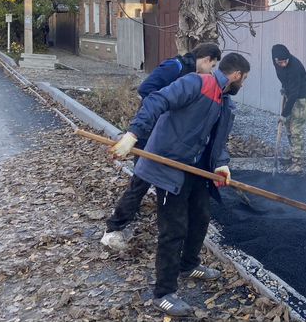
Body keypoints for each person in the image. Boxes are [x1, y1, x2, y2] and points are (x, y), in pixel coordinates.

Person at [112, 52, 250, 317]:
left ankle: (189, 265)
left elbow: (217, 140)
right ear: (237, 76)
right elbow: (157, 99)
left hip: (196, 170)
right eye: (244, 80)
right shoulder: (196, 83)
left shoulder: (225, 102)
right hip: (170, 167)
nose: (243, 84)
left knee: (201, 217)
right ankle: (163, 293)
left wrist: (221, 163)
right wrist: (133, 134)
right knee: (173, 230)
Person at [100, 42, 222, 251]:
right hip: (149, 133)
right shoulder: (174, 67)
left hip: (163, 135)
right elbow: (147, 90)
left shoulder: (191, 73)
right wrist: (150, 123)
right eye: (212, 67)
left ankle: (156, 222)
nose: (211, 72)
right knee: (141, 181)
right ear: (207, 59)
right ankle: (113, 229)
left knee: (157, 182)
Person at [271, 44, 306, 173]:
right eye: (280, 62)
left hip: (301, 98)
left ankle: (298, 163)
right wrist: (284, 86)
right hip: (290, 94)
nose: (283, 64)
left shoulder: (294, 67)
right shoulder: (276, 61)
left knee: (296, 129)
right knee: (288, 127)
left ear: (288, 58)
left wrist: (283, 114)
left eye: (285, 62)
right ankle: (293, 155)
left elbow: (295, 93)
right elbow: (284, 76)